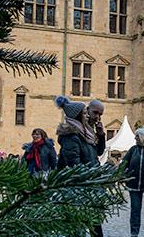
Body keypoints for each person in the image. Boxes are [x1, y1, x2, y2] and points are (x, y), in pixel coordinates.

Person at [54, 96, 107, 237]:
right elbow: (74, 167)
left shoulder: (86, 132)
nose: (94, 117)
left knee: (95, 224)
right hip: (80, 188)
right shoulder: (72, 135)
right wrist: (91, 179)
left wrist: (100, 135)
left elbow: (98, 152)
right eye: (86, 113)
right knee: (78, 226)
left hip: (90, 186)